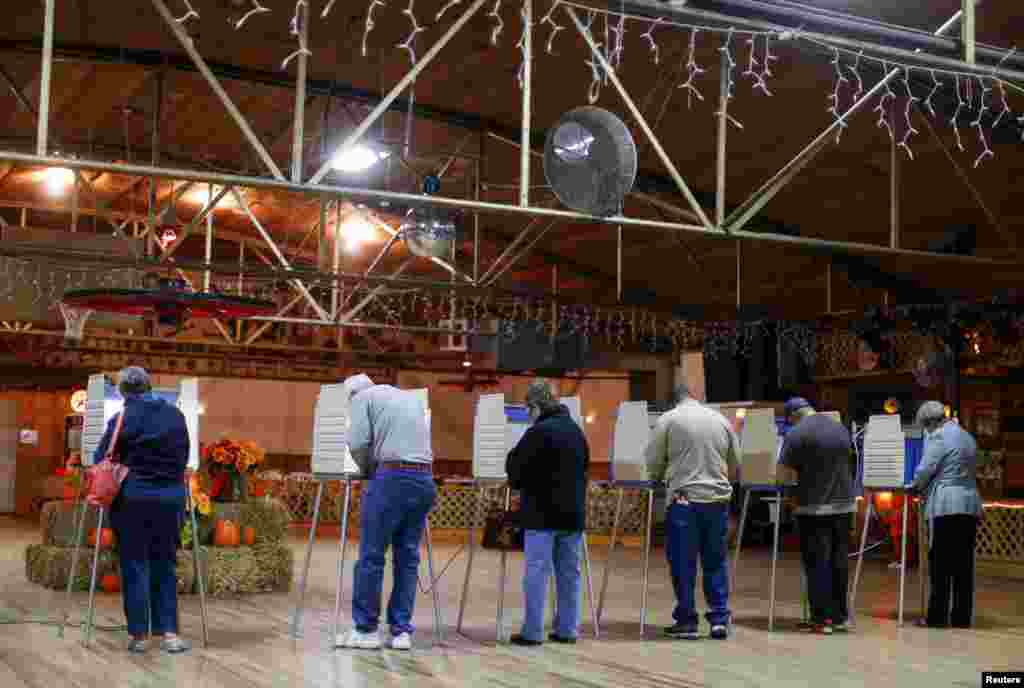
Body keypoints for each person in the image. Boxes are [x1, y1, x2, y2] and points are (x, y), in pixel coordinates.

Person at [95, 366, 191, 654]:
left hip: (133, 500)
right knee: (165, 564)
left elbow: (101, 457)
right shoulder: (176, 415)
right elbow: (184, 456)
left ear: (123, 392)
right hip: (171, 498)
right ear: (150, 387)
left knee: (135, 564)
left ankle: (140, 636)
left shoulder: (121, 418)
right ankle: (170, 634)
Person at [340, 374, 437, 651]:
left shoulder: (361, 398)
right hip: (424, 480)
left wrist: (366, 471)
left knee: (371, 556)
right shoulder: (408, 398)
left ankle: (366, 630)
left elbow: (358, 443)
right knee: (407, 558)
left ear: (352, 395)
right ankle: (401, 632)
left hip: (392, 478)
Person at [645, 384, 738, 640]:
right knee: (715, 560)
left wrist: (656, 477)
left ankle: (687, 620)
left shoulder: (669, 419)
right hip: (717, 500)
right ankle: (719, 619)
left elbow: (653, 461)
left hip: (684, 501)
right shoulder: (720, 420)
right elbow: (735, 463)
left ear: (672, 401)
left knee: (682, 563)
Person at [506, 379, 590, 646]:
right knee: (569, 573)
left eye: (528, 408)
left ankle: (532, 632)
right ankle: (567, 629)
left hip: (542, 516)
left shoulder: (537, 433)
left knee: (537, 573)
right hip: (573, 515)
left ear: (536, 405)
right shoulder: (576, 432)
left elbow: (516, 470)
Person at [778, 397, 857, 635]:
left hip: (812, 509)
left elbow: (785, 475)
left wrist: (790, 498)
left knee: (817, 563)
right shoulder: (839, 428)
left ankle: (821, 619)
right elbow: (851, 464)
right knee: (839, 562)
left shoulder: (796, 434)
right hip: (844, 507)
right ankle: (840, 616)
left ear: (793, 416)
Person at [909, 401, 983, 628]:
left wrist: (914, 485)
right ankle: (961, 617)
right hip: (969, 504)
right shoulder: (967, 437)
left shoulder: (939, 437)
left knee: (940, 563)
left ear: (931, 422)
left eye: (925, 426)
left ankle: (937, 617)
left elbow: (925, 469)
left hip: (946, 505)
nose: (926, 431)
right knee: (964, 565)